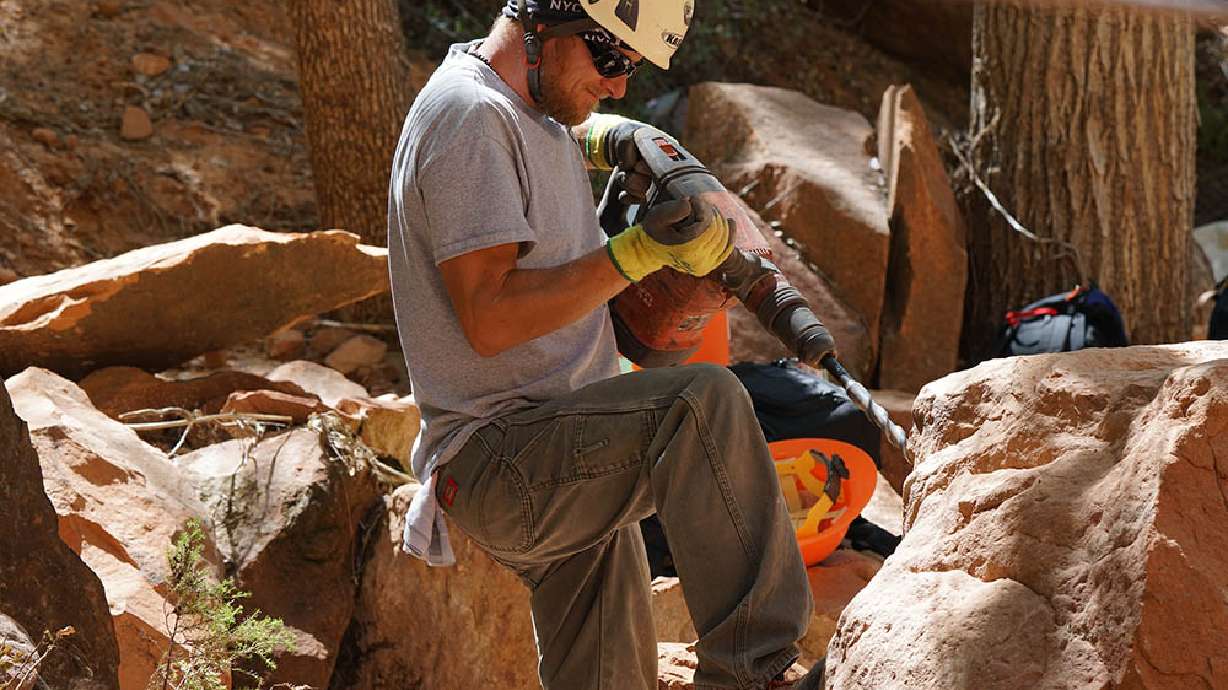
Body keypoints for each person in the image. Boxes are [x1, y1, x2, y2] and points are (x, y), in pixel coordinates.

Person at [387, 1, 827, 688]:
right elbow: (490, 318)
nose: (621, 84)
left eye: (633, 68)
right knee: (699, 406)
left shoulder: (535, 111)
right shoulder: (472, 119)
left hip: (561, 439)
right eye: (613, 59)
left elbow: (576, 146)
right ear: (546, 21)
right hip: (502, 457)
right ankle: (754, 670)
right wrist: (638, 252)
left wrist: (623, 142)